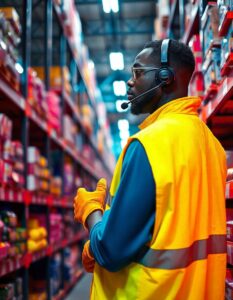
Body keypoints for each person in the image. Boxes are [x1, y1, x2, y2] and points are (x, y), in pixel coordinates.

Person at [74, 39, 227, 300]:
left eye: (138, 72)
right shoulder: (213, 146)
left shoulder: (149, 145)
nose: (130, 82)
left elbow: (111, 251)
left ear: (166, 77)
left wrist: (92, 213)